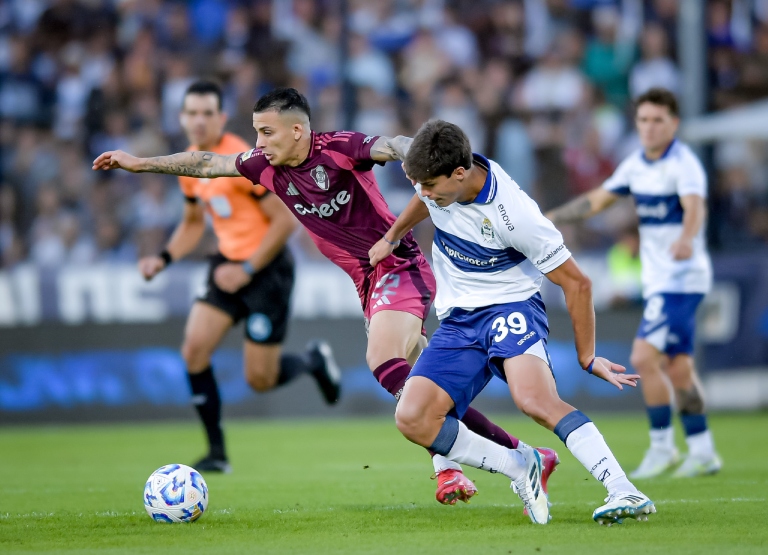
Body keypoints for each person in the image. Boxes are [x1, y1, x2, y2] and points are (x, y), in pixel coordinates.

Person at [93, 86, 558, 505]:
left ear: (298, 130)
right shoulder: (264, 167)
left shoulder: (338, 149)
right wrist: (139, 163)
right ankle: (510, 455)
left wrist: (412, 154)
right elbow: (207, 164)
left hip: (396, 265)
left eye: (267, 132)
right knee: (424, 388)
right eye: (256, 132)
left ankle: (508, 465)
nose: (258, 143)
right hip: (365, 280)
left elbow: (388, 145)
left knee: (385, 365)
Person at [369, 119, 655, 525]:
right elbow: (423, 199)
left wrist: (588, 356)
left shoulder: (515, 214)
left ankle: (623, 489)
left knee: (535, 401)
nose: (424, 193)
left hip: (510, 308)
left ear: (460, 174)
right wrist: (393, 235)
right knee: (412, 417)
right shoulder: (438, 177)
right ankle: (522, 465)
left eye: (429, 186)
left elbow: (577, 283)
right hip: (458, 320)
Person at [136, 81, 341, 473]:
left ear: (221, 117)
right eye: (190, 113)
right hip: (226, 266)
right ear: (181, 117)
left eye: (206, 113)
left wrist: (247, 269)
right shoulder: (191, 164)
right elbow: (193, 224)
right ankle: (216, 453)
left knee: (259, 380)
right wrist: (162, 258)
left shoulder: (243, 161)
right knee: (194, 349)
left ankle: (313, 361)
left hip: (265, 271)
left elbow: (285, 223)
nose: (197, 121)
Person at [546, 88, 721, 479]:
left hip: (680, 278)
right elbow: (597, 200)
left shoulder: (683, 163)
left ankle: (662, 446)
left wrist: (687, 237)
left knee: (643, 358)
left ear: (673, 124)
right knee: (677, 368)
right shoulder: (636, 166)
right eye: (643, 120)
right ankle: (703, 448)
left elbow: (695, 206)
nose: (650, 127)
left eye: (658, 120)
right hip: (663, 279)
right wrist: (550, 217)